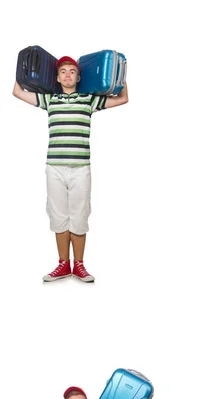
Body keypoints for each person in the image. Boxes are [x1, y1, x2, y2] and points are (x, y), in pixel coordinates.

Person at [13, 56, 128, 283]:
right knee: (58, 216)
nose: (67, 75)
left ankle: (80, 266)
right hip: (54, 167)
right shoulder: (49, 99)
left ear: (78, 77)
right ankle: (63, 265)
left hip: (80, 168)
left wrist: (120, 73)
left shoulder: (89, 100)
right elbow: (17, 92)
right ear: (57, 78)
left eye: (72, 71)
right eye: (63, 71)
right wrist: (22, 67)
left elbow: (123, 98)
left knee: (79, 216)